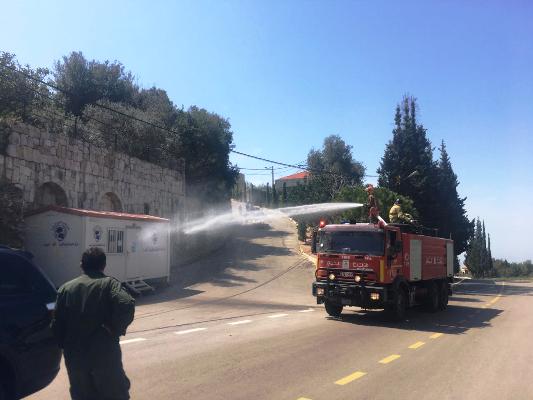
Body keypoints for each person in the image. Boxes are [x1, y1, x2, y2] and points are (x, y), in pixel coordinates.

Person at [51, 247, 135, 400]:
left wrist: (65, 345)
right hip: (104, 353)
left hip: (75, 356)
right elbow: (126, 303)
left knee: (83, 394)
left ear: (81, 265)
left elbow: (57, 324)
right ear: (104, 265)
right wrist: (114, 328)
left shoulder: (65, 289)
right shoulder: (109, 284)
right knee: (114, 393)